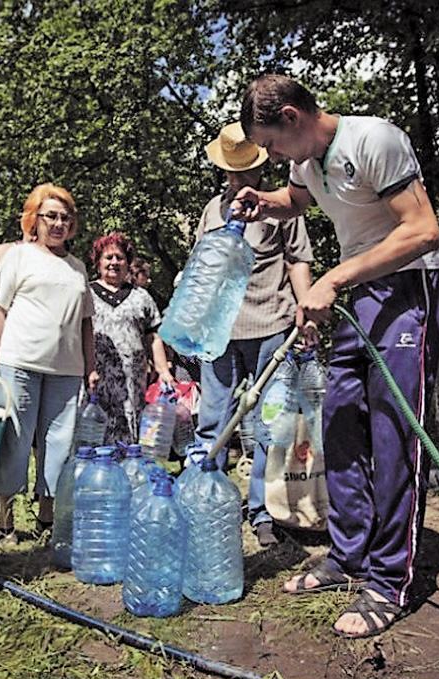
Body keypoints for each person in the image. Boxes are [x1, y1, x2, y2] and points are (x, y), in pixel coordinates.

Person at [233, 74, 439, 638]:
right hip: (359, 294)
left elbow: (424, 231)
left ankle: (388, 580)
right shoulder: (307, 165)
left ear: (294, 118)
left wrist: (332, 277)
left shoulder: (374, 140)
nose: (271, 156)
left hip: (406, 290)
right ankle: (349, 554)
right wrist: (263, 202)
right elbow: (294, 200)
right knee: (340, 425)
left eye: (272, 143)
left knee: (393, 436)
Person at [194, 120, 313, 547]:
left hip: (271, 327)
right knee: (213, 420)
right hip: (219, 334)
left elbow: (298, 260)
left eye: (248, 170)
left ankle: (263, 511)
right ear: (224, 170)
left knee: (268, 425)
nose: (240, 178)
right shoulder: (212, 211)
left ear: (261, 167)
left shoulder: (283, 206)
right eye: (233, 170)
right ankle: (204, 501)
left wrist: (307, 313)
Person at [0, 184, 97, 540]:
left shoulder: (77, 268)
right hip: (19, 362)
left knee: (58, 445)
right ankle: (6, 523)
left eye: (65, 218)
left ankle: (47, 520)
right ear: (35, 220)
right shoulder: (19, 256)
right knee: (14, 441)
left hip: (67, 369)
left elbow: (86, 322)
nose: (58, 224)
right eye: (51, 217)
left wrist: (90, 367)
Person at [89, 232, 173, 445]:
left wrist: (163, 371)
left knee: (131, 431)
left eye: (120, 258)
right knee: (94, 432)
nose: (114, 263)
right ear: (98, 262)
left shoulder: (141, 297)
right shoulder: (86, 293)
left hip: (132, 381)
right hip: (96, 379)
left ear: (128, 263)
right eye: (108, 257)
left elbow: (154, 336)